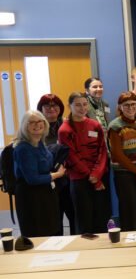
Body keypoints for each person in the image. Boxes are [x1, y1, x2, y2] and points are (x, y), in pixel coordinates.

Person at [59, 92, 111, 234]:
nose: (82, 108)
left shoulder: (95, 125)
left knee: (101, 217)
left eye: (84, 104)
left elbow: (102, 150)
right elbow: (72, 156)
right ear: (70, 106)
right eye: (77, 105)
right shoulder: (65, 130)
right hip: (80, 180)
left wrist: (97, 174)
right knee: (84, 218)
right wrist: (92, 177)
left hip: (99, 177)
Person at [13, 110, 65, 237]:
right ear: (25, 126)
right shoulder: (23, 148)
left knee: (53, 232)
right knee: (38, 236)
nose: (37, 125)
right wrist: (57, 175)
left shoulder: (40, 142)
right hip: (31, 199)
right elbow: (32, 179)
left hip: (46, 194)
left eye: (39, 121)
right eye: (32, 122)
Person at [108, 92, 136, 231]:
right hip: (124, 174)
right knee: (129, 211)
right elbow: (117, 154)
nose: (130, 107)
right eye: (126, 105)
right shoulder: (115, 126)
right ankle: (129, 241)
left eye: (133, 104)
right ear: (120, 107)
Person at [38, 94, 75, 233]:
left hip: (69, 177)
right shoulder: (36, 127)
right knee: (54, 218)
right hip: (49, 179)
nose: (51, 108)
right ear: (41, 108)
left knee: (73, 215)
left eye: (55, 105)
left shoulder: (68, 125)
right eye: (47, 106)